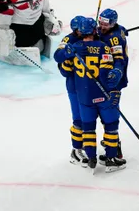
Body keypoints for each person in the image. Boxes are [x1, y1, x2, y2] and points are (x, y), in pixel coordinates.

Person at [61, 17, 126, 173]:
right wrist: (113, 88)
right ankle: (101, 155)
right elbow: (106, 72)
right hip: (101, 93)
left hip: (82, 92)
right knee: (109, 125)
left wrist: (69, 56)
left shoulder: (73, 46)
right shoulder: (103, 47)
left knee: (86, 126)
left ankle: (91, 157)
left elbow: (64, 70)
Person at [53, 15, 87, 167]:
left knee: (90, 118)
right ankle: (76, 149)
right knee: (78, 118)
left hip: (90, 85)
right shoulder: (68, 40)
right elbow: (57, 56)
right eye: (81, 30)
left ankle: (88, 144)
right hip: (74, 85)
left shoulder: (90, 35)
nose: (85, 31)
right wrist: (69, 51)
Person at [97, 8, 129, 164]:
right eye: (100, 23)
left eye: (105, 24)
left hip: (113, 81)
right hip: (104, 79)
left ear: (113, 23)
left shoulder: (115, 38)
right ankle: (111, 144)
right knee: (106, 116)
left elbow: (119, 61)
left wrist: (116, 72)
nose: (101, 27)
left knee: (110, 118)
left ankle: (115, 150)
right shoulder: (116, 30)